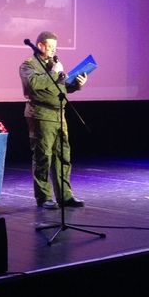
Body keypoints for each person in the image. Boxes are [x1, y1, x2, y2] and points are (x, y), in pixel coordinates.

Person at [19, 31, 87, 209]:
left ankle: (65, 195)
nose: (53, 50)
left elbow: (61, 88)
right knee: (43, 157)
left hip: (59, 115)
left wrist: (76, 85)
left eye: (55, 47)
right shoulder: (29, 65)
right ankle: (44, 197)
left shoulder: (53, 64)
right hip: (41, 115)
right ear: (40, 46)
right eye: (50, 47)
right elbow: (34, 84)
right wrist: (54, 73)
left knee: (63, 156)